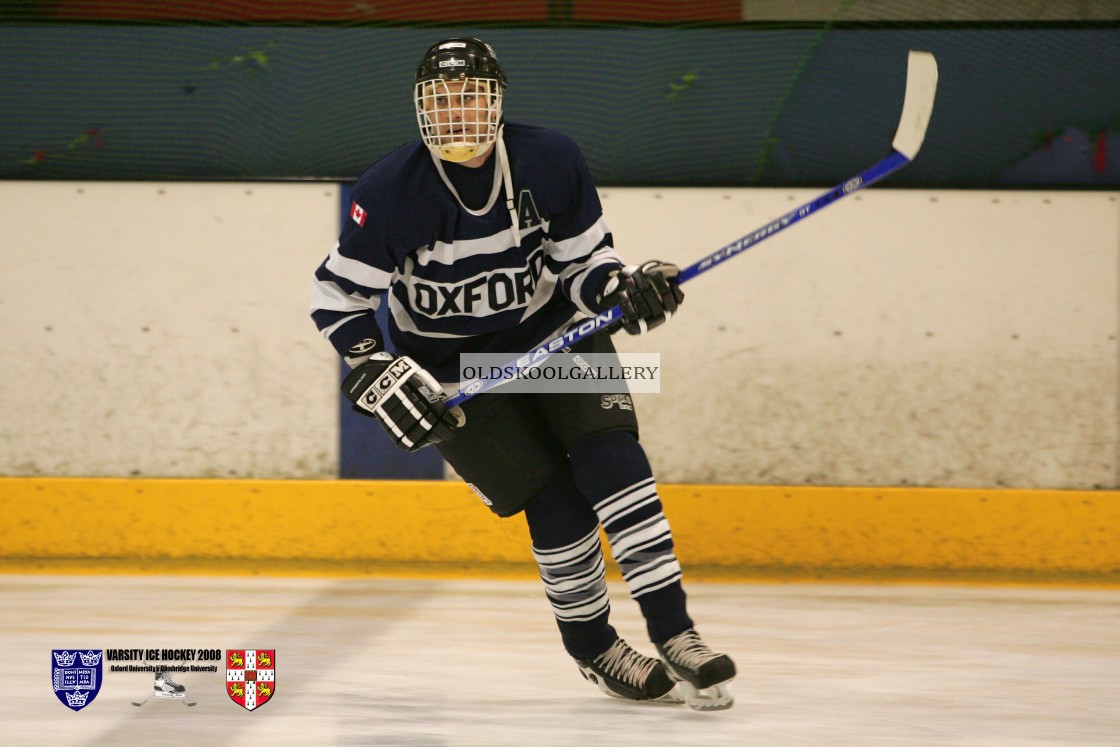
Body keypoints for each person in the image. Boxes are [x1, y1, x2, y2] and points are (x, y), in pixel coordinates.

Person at [310, 37, 736, 710]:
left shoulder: (550, 159)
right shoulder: (390, 192)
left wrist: (621, 291)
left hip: (557, 341)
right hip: (456, 377)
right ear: (422, 109)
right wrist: (370, 363)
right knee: (558, 504)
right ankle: (594, 646)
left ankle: (676, 632)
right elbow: (338, 298)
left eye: (470, 96)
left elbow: (585, 265)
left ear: (497, 100)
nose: (457, 112)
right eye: (442, 100)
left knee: (616, 463)